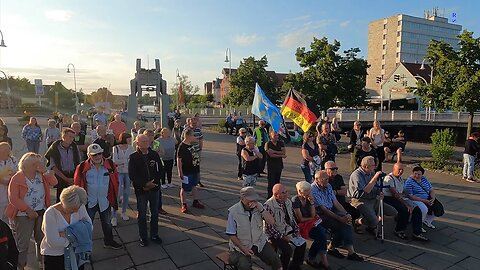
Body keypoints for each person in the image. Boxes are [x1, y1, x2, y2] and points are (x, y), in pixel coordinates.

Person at [5, 152, 58, 269]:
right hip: (23, 215)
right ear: (25, 166)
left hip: (41, 212)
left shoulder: (41, 175)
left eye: (38, 163)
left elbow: (54, 182)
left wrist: (45, 171)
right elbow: (13, 198)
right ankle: (21, 265)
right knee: (23, 243)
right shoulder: (17, 178)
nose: (38, 166)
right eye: (35, 164)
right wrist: (28, 210)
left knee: (41, 239)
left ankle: (41, 262)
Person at [73, 143, 122, 250]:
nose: (98, 157)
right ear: (89, 155)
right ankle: (85, 247)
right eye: (94, 155)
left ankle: (108, 241)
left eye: (99, 153)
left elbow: (116, 181)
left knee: (107, 223)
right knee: (86, 226)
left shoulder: (110, 165)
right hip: (89, 202)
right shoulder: (81, 167)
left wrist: (116, 197)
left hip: (105, 201)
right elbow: (77, 185)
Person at [311, 170, 364, 262]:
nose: (327, 181)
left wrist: (346, 214)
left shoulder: (328, 186)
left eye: (328, 179)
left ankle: (348, 251)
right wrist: (340, 218)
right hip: (320, 214)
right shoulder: (313, 190)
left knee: (347, 221)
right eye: (325, 179)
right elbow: (324, 210)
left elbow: (335, 203)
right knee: (340, 225)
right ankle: (336, 249)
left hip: (331, 209)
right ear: (317, 179)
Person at [225, 187, 281, 270]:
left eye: (254, 199)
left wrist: (261, 209)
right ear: (242, 198)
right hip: (241, 245)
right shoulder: (233, 212)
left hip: (258, 242)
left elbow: (271, 222)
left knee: (275, 259)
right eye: (249, 199)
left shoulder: (259, 207)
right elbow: (231, 234)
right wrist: (243, 248)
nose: (252, 201)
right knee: (245, 266)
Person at [40, 186, 92, 270]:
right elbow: (53, 242)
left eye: (77, 209)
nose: (76, 211)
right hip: (55, 256)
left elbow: (89, 226)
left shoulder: (80, 207)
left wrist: (67, 234)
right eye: (72, 210)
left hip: (75, 253)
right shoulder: (50, 214)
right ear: (63, 203)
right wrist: (78, 236)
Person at [347, 156, 397, 236]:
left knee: (393, 212)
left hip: (373, 199)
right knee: (374, 220)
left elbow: (375, 186)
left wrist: (379, 193)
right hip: (360, 200)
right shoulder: (357, 175)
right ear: (366, 166)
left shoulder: (371, 173)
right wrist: (375, 177)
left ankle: (371, 223)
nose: (375, 167)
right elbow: (365, 190)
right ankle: (358, 222)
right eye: (373, 165)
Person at [129, 134, 164, 247]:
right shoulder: (134, 157)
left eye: (147, 141)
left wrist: (154, 183)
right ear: (137, 143)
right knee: (142, 214)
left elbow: (161, 170)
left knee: (154, 213)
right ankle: (143, 237)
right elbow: (132, 175)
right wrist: (144, 184)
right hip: (141, 190)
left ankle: (154, 234)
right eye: (143, 141)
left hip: (154, 189)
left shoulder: (154, 155)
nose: (146, 143)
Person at [264, 184, 306, 270]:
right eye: (283, 193)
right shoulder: (268, 206)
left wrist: (296, 229)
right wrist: (283, 237)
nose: (286, 194)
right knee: (287, 250)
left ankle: (295, 265)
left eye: (286, 192)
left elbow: (292, 218)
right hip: (275, 234)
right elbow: (269, 229)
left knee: (302, 244)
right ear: (276, 195)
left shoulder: (288, 202)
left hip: (287, 229)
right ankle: (282, 267)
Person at [384, 163, 428, 241]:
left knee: (417, 209)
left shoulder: (400, 178)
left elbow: (404, 192)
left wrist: (412, 198)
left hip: (399, 198)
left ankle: (417, 232)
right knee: (405, 210)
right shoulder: (389, 179)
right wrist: (407, 204)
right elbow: (396, 194)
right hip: (389, 198)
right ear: (394, 169)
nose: (401, 171)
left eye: (402, 170)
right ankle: (399, 230)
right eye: (399, 169)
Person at [292, 181, 330, 269]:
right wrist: (312, 219)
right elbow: (300, 219)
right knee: (321, 236)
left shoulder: (308, 198)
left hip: (309, 224)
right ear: (300, 191)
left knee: (322, 235)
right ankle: (315, 259)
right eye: (306, 191)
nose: (309, 193)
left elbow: (313, 214)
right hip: (301, 226)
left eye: (309, 190)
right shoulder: (295, 200)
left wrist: (312, 203)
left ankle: (322, 260)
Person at [45, 128, 82, 202]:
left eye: (73, 137)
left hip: (72, 176)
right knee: (60, 199)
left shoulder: (74, 147)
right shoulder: (55, 148)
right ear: (63, 137)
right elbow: (53, 167)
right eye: (70, 137)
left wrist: (75, 178)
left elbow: (79, 162)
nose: (71, 139)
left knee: (72, 199)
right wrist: (65, 178)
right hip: (61, 176)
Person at [324, 161, 361, 232]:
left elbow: (345, 192)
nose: (335, 170)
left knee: (356, 212)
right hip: (330, 205)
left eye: (336, 168)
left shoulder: (338, 177)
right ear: (326, 170)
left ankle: (354, 223)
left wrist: (335, 192)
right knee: (339, 219)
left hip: (341, 203)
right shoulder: (324, 179)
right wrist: (337, 192)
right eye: (332, 169)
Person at [177, 129, 205, 213]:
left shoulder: (192, 144)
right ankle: (184, 204)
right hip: (187, 171)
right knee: (184, 188)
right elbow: (179, 160)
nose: (195, 137)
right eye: (193, 135)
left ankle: (195, 201)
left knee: (194, 185)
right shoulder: (182, 146)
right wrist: (180, 172)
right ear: (188, 136)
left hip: (195, 169)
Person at [112, 133, 134, 224]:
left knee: (127, 192)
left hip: (128, 172)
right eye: (129, 138)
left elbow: (132, 160)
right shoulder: (116, 148)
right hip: (119, 172)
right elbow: (115, 161)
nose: (130, 140)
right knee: (117, 193)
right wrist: (126, 161)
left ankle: (124, 212)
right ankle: (114, 215)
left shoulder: (131, 148)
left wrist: (123, 162)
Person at [265, 131, 286, 198]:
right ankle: (270, 196)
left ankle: (277, 195)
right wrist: (280, 154)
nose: (277, 137)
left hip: (279, 165)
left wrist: (274, 152)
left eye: (277, 135)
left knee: (277, 181)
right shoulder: (268, 144)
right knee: (271, 182)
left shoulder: (281, 143)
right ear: (271, 136)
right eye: (275, 136)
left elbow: (284, 152)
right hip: (271, 166)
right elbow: (271, 155)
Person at [0, 142, 17, 222]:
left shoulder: (13, 160)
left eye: (8, 150)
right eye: (3, 151)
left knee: (11, 216)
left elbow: (18, 173)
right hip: (1, 193)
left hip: (11, 193)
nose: (6, 152)